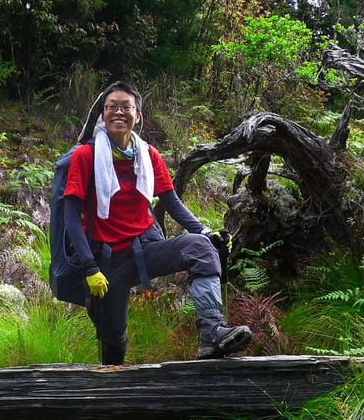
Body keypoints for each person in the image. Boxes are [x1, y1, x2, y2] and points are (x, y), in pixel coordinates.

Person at [62, 81, 252, 365]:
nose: (118, 112)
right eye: (111, 107)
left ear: (137, 115)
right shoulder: (86, 156)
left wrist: (203, 231)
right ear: (102, 114)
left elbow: (171, 202)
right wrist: (89, 267)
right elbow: (71, 216)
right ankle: (113, 385)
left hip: (146, 248)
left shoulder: (148, 155)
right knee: (113, 340)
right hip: (106, 260)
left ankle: (212, 333)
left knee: (200, 248)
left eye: (126, 107)